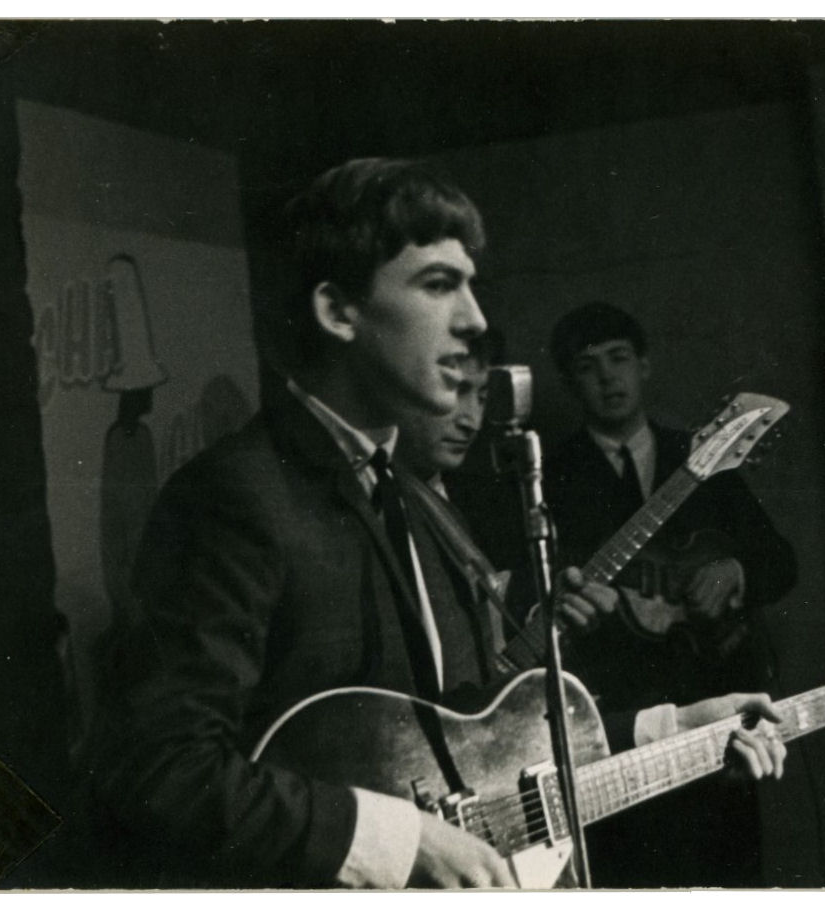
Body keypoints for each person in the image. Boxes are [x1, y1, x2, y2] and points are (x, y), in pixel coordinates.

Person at [88, 158, 787, 889]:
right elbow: (155, 768)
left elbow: (474, 738)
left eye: (470, 284)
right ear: (337, 312)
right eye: (436, 283)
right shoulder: (234, 495)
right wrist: (401, 841)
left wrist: (672, 730)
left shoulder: (417, 498)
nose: (475, 319)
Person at [544, 300, 799, 887]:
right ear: (568, 382)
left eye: (619, 358)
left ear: (645, 365)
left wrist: (736, 569)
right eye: (588, 366)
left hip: (717, 720)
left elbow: (780, 562)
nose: (608, 376)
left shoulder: (703, 458)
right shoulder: (550, 477)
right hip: (617, 730)